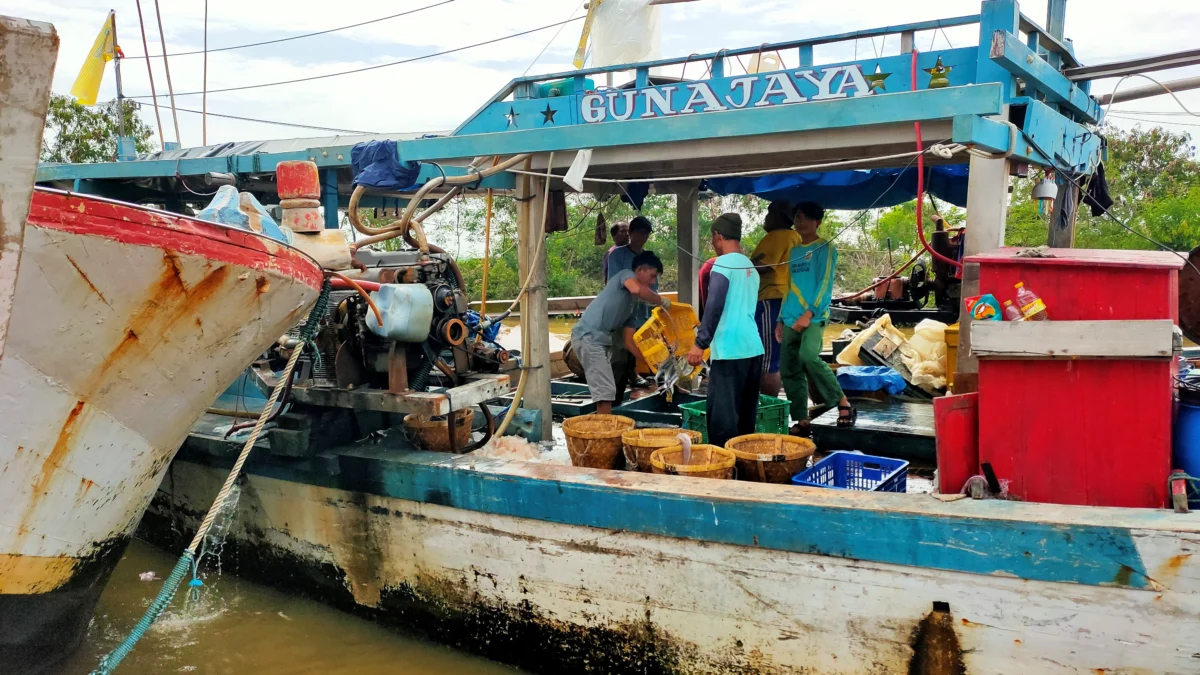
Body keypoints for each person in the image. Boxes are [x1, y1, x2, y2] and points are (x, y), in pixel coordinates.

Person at [776, 202, 855, 435]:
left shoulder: (825, 248)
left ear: (817, 221)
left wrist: (809, 313)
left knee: (809, 357)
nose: (800, 223)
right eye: (797, 218)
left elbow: (825, 284)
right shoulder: (794, 252)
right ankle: (802, 420)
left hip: (813, 316)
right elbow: (789, 286)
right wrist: (781, 319)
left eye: (805, 218)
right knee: (789, 369)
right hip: (790, 317)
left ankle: (842, 402)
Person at [687, 213, 764, 448]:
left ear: (718, 236)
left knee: (722, 419)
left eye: (713, 239)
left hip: (730, 350)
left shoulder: (722, 264)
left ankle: (726, 470)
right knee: (745, 417)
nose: (713, 244)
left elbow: (714, 305)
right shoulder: (750, 265)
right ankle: (744, 466)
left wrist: (700, 343)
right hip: (753, 348)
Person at [572, 251, 671, 414]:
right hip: (587, 336)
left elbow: (629, 342)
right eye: (652, 276)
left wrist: (653, 363)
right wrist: (660, 300)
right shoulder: (625, 275)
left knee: (607, 390)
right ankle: (605, 434)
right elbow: (635, 289)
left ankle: (605, 427)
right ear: (640, 270)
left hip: (601, 341)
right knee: (605, 392)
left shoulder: (633, 306)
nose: (653, 282)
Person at [749, 200, 801, 396]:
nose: (766, 217)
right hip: (788, 300)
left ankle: (767, 406)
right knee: (779, 357)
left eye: (769, 213)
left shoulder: (777, 236)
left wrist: (739, 261)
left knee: (767, 360)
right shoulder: (796, 237)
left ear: (779, 217)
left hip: (771, 299)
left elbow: (762, 266)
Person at [605, 215, 656, 401]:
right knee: (619, 356)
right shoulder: (618, 255)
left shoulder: (649, 257)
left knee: (635, 354)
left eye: (647, 234)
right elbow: (616, 283)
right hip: (620, 312)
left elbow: (653, 286)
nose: (644, 237)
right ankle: (614, 399)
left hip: (640, 313)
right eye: (641, 233)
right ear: (631, 233)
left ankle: (632, 389)